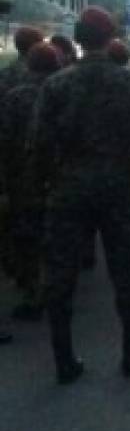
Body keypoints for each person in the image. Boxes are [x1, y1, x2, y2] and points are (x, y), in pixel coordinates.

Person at [30, 6, 130, 384]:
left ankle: (64, 361)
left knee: (60, 275)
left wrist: (49, 182)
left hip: (70, 187)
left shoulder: (56, 85)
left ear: (78, 38)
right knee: (126, 272)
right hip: (120, 186)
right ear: (110, 40)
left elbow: (38, 144)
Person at [0, 42, 63, 323]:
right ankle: (57, 291)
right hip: (62, 180)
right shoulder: (66, 92)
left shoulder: (15, 97)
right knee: (58, 238)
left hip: (23, 181)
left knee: (26, 238)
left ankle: (31, 292)